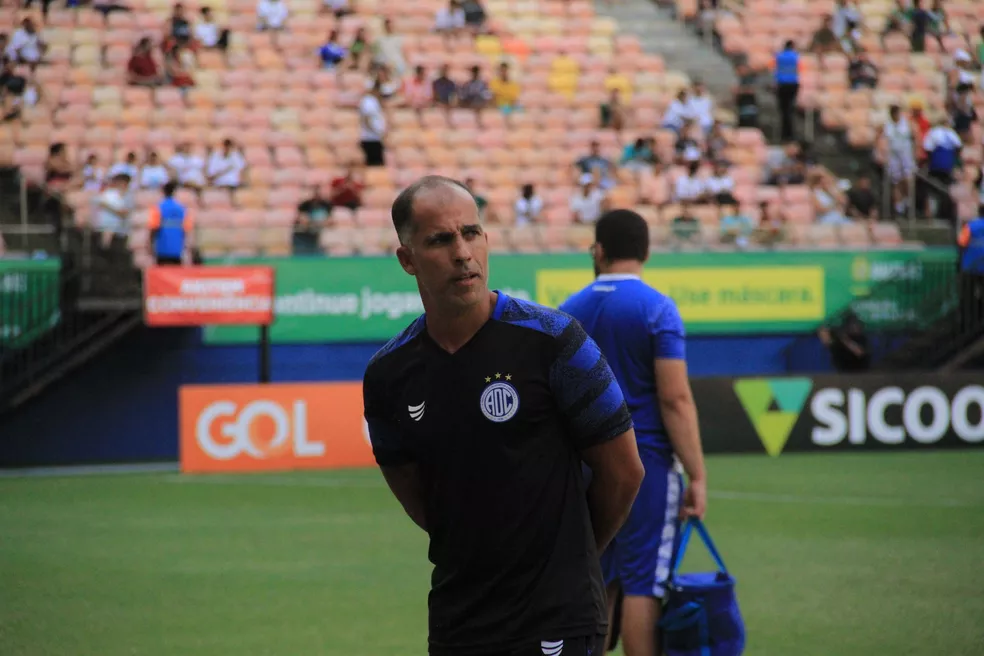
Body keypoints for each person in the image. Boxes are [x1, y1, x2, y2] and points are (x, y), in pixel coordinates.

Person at [363, 176, 644, 656]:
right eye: (440, 240)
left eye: (471, 233)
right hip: (459, 621)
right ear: (407, 259)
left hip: (558, 616)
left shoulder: (555, 341)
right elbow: (422, 500)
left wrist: (568, 559)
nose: (462, 253)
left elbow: (623, 473)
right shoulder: (389, 375)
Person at [560, 209, 707, 656]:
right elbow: (675, 398)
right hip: (646, 463)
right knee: (644, 580)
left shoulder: (567, 311)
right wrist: (697, 475)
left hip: (585, 465)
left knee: (597, 579)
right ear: (646, 251)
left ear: (598, 250)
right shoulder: (658, 308)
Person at [148, 181, 192, 265]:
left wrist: (150, 243)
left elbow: (154, 227)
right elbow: (186, 228)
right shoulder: (181, 208)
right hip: (177, 247)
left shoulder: (159, 207)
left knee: (161, 273)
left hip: (162, 246)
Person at [774, 40, 800, 142]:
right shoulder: (795, 56)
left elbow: (776, 69)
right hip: (792, 84)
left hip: (782, 84)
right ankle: (789, 134)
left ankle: (784, 134)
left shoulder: (779, 56)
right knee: (790, 110)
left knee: (783, 110)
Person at [358, 80, 387, 167]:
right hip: (370, 138)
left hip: (374, 138)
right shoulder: (368, 101)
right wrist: (377, 132)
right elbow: (367, 119)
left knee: (377, 164)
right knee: (374, 165)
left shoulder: (373, 101)